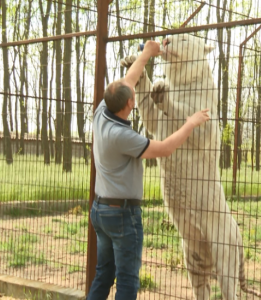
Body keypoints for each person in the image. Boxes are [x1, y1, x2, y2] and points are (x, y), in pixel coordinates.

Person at [87, 40, 210, 300]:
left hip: (100, 210)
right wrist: (190, 123)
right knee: (128, 281)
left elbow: (130, 79)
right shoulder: (123, 136)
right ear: (131, 103)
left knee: (104, 274)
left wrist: (147, 54)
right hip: (121, 214)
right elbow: (165, 148)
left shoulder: (101, 111)